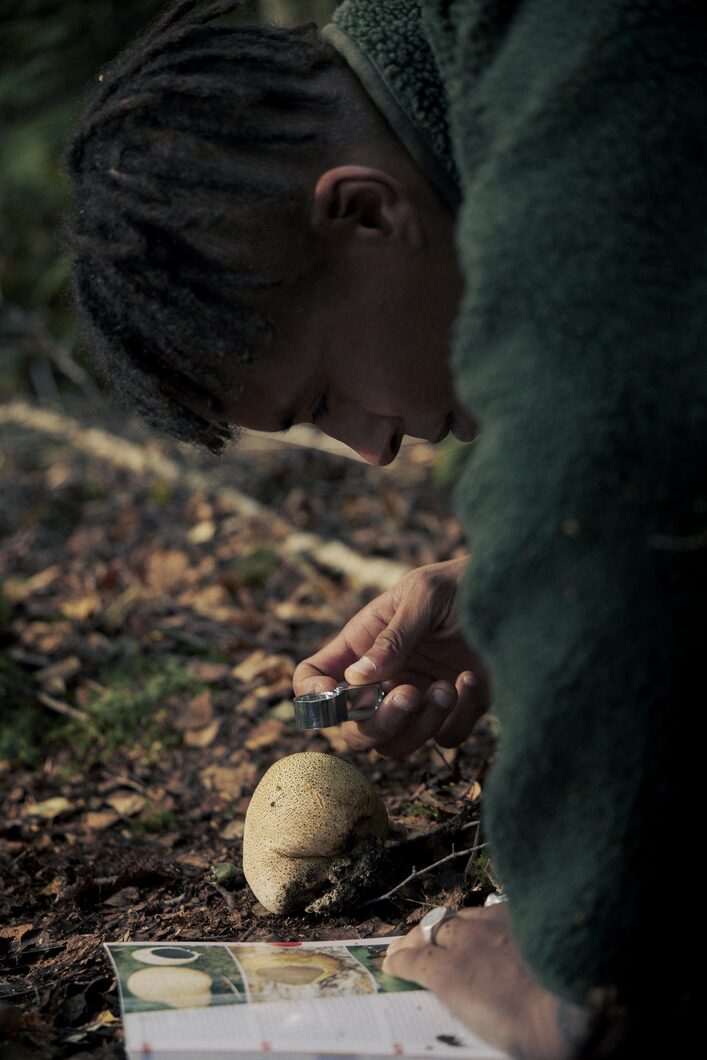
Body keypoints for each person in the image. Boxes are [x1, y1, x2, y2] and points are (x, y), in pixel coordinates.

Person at [65, 0, 704, 1055]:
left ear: (365, 214)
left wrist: (574, 970)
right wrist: (510, 588)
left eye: (321, 396)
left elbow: (599, 454)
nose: (371, 447)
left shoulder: (572, 101)